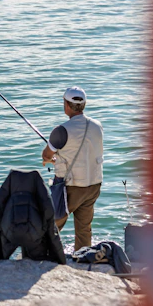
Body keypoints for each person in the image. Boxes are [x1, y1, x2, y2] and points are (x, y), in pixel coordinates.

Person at [42, 86, 103, 250]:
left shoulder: (61, 130)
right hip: (94, 185)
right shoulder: (97, 126)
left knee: (53, 224)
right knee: (84, 229)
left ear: (66, 105)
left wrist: (52, 159)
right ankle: (83, 259)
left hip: (71, 187)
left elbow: (46, 155)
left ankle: (37, 258)